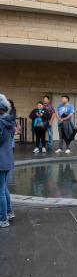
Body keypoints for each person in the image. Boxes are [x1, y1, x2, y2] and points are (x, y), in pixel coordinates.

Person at [0, 94, 15, 228]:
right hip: (7, 158)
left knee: (0, 190)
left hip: (1, 159)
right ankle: (9, 212)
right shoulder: (9, 120)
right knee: (3, 188)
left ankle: (3, 219)